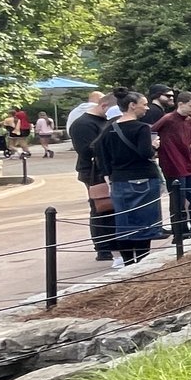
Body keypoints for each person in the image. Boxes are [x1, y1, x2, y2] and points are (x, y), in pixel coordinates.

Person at [96, 88, 166, 266]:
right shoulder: (142, 128)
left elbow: (99, 151)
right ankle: (142, 261)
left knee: (124, 222)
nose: (147, 108)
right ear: (132, 106)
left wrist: (107, 175)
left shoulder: (110, 127)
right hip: (143, 177)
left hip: (119, 180)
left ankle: (128, 263)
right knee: (145, 223)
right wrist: (154, 146)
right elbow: (145, 153)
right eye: (144, 105)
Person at [154, 91, 191, 238]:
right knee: (178, 202)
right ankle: (181, 233)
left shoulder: (190, 121)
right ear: (181, 104)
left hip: (189, 163)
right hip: (173, 164)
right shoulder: (168, 119)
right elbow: (151, 131)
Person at [69, 96, 118, 263]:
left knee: (113, 209)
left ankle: (114, 241)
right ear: (104, 106)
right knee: (101, 208)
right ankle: (103, 247)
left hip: (108, 169)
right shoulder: (83, 124)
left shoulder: (104, 121)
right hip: (93, 171)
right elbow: (87, 150)